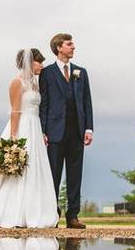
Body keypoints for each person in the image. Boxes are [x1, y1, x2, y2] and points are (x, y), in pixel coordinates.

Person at [0, 48, 59, 228]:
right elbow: (15, 111)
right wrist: (13, 139)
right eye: (39, 62)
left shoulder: (35, 84)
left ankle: (31, 212)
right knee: (17, 172)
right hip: (22, 127)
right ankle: (6, 213)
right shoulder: (17, 83)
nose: (42, 66)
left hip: (35, 128)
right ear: (30, 63)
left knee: (34, 170)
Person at [39, 33, 94, 229]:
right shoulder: (47, 73)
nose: (73, 47)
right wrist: (42, 130)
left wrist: (89, 128)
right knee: (53, 175)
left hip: (77, 132)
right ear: (58, 48)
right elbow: (44, 104)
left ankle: (73, 216)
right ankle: (52, 215)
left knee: (75, 175)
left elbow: (87, 102)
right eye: (69, 44)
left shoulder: (82, 72)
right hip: (54, 132)